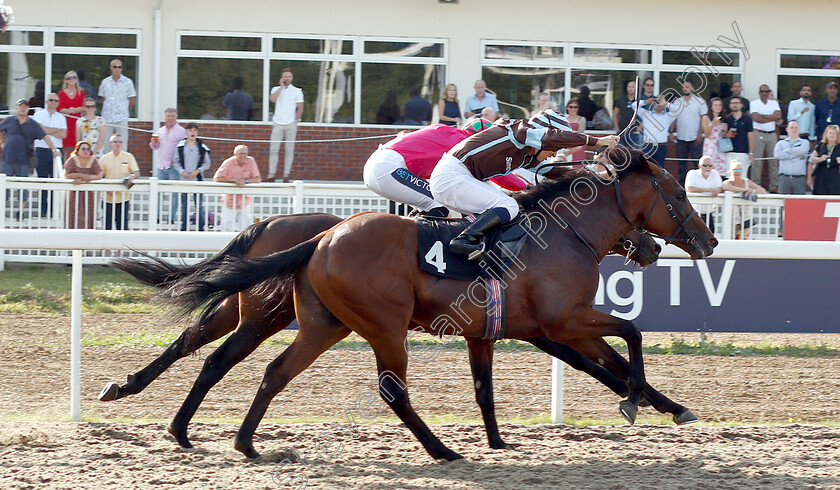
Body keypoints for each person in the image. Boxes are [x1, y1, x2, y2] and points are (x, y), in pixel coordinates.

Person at [430, 109, 618, 256]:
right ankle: (464, 241)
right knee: (509, 205)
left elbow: (557, 172)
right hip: (452, 177)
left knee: (504, 211)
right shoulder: (519, 132)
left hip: (456, 179)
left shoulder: (527, 157)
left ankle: (476, 247)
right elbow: (552, 137)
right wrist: (597, 141)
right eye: (556, 148)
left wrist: (596, 175)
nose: (554, 154)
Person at [364, 118, 524, 217]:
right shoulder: (465, 144)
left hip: (381, 163)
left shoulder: (448, 132)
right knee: (440, 204)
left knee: (430, 205)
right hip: (387, 168)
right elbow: (498, 174)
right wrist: (526, 187)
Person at [0, 99, 55, 219]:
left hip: (23, 161)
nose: (23, 108)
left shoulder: (33, 124)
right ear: (16, 108)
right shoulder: (9, 120)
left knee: (22, 188)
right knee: (3, 187)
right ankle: (1, 212)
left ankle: (20, 212)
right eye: (20, 106)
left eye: (25, 106)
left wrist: (54, 150)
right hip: (7, 159)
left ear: (28, 109)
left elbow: (45, 137)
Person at [32, 93, 67, 216]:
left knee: (54, 181)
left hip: (56, 152)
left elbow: (64, 134)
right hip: (41, 150)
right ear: (46, 101)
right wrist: (55, 130)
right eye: (51, 100)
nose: (53, 102)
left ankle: (53, 210)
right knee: (42, 181)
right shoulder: (38, 114)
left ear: (58, 103)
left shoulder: (61, 117)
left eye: (55, 100)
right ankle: (43, 210)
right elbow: (39, 131)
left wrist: (47, 130)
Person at [173, 123, 211, 231]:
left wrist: (198, 171)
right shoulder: (180, 146)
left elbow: (207, 163)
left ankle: (200, 226)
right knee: (184, 204)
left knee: (198, 204)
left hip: (197, 179)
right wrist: (182, 172)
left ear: (197, 133)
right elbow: (176, 162)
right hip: (184, 179)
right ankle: (184, 226)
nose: (192, 133)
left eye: (194, 130)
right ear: (186, 132)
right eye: (190, 130)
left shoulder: (202, 147)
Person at [149, 108, 186, 222]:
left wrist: (179, 161)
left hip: (174, 166)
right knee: (158, 192)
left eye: (172, 116)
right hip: (161, 166)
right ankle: (157, 217)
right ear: (165, 117)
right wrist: (154, 143)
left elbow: (184, 147)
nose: (170, 118)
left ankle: (171, 217)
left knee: (173, 193)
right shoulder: (160, 131)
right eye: (168, 116)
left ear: (176, 117)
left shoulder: (181, 131)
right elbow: (155, 147)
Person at [213, 144, 261, 231]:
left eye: (244, 153)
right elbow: (217, 178)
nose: (243, 156)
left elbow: (258, 178)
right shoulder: (228, 162)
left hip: (244, 200)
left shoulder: (251, 161)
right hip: (230, 200)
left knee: (246, 230)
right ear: (235, 154)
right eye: (240, 154)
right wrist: (234, 181)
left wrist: (245, 181)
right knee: (227, 228)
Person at [268, 68, 304, 182]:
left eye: (288, 76)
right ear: (282, 78)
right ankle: (271, 174)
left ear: (291, 78)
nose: (286, 78)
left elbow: (300, 107)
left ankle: (286, 175)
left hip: (290, 123)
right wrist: (281, 87)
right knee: (274, 149)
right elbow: (272, 99)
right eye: (285, 76)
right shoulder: (275, 89)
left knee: (289, 150)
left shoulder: (297, 91)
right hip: (278, 123)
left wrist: (295, 121)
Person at [669, 80, 708, 184]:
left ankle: (699, 184)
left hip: (695, 138)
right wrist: (671, 132)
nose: (685, 88)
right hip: (681, 138)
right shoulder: (677, 102)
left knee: (697, 163)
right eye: (684, 87)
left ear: (693, 88)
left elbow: (703, 119)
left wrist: (700, 134)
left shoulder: (700, 102)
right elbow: (674, 118)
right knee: (682, 164)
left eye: (688, 86)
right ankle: (682, 185)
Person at [99, 134, 139, 230]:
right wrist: (106, 187)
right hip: (107, 197)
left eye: (120, 141)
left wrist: (132, 177)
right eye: (115, 141)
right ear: (110, 143)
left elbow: (137, 172)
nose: (118, 144)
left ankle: (122, 244)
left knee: (122, 225)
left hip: (123, 196)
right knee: (106, 225)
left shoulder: (128, 157)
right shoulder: (104, 158)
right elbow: (100, 175)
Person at [749, 84, 782, 192]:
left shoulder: (774, 103)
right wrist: (771, 117)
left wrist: (764, 116)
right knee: (757, 161)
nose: (764, 93)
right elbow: (756, 118)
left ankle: (774, 186)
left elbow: (778, 116)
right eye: (762, 91)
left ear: (769, 92)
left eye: (766, 91)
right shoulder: (754, 103)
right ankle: (756, 186)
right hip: (758, 133)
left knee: (773, 161)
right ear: (759, 92)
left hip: (772, 134)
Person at [722, 160, 766, 239]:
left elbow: (763, 191)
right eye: (735, 170)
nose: (737, 172)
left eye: (739, 170)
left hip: (746, 217)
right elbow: (725, 187)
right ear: (730, 171)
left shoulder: (747, 182)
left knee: (744, 238)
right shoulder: (728, 182)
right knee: (731, 237)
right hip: (732, 217)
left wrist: (752, 190)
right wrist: (744, 190)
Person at [63, 140, 102, 229]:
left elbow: (99, 175)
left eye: (88, 149)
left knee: (88, 214)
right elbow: (67, 174)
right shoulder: (73, 159)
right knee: (74, 214)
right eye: (83, 149)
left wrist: (87, 178)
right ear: (78, 151)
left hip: (88, 194)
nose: (86, 151)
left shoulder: (93, 160)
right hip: (74, 193)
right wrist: (80, 175)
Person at [98, 59, 136, 147]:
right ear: (111, 68)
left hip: (121, 117)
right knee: (106, 144)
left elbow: (132, 100)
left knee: (122, 144)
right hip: (107, 117)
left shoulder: (128, 82)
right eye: (115, 67)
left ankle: (122, 161)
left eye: (119, 67)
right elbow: (103, 98)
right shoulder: (105, 82)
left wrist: (123, 110)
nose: (117, 69)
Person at [684, 155, 722, 232]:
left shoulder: (715, 173)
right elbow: (689, 188)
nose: (707, 167)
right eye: (704, 165)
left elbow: (720, 188)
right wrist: (710, 190)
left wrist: (717, 190)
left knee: (711, 237)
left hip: (709, 213)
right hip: (694, 214)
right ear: (699, 166)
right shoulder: (692, 173)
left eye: (710, 165)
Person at [773, 121, 809, 195]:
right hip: (784, 178)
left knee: (799, 203)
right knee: (783, 203)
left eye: (796, 128)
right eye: (791, 127)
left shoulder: (804, 142)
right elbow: (778, 155)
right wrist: (792, 156)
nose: (794, 130)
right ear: (787, 129)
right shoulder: (780, 143)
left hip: (799, 178)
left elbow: (803, 150)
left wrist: (787, 150)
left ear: (799, 129)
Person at [723, 97, 754, 178]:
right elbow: (722, 135)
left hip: (743, 153)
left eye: (737, 103)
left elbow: (750, 136)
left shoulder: (747, 119)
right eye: (732, 103)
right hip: (729, 153)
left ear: (741, 105)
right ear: (729, 106)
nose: (735, 105)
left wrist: (751, 153)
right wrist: (727, 135)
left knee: (742, 177)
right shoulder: (727, 119)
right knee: (729, 177)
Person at [57, 70, 85, 157]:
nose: (71, 79)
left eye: (74, 77)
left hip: (76, 122)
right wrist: (69, 111)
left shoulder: (81, 92)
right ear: (66, 80)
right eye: (69, 78)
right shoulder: (61, 93)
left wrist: (74, 110)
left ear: (77, 80)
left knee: (76, 147)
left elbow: (83, 106)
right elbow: (59, 108)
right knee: (65, 148)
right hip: (66, 122)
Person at [640, 95, 671, 167]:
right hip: (648, 147)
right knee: (646, 169)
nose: (659, 104)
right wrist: (645, 102)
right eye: (657, 102)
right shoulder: (646, 114)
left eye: (660, 102)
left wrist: (666, 103)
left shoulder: (668, 116)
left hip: (661, 147)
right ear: (653, 104)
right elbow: (634, 106)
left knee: (659, 169)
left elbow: (678, 110)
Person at [700, 97, 729, 176]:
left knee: (721, 171)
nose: (718, 107)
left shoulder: (723, 119)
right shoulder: (706, 118)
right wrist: (713, 123)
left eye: (720, 105)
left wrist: (725, 131)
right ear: (711, 107)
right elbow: (707, 134)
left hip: (720, 147)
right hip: (710, 146)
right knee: (709, 168)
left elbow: (723, 136)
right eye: (715, 105)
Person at [808, 124, 840, 195]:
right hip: (821, 173)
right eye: (830, 133)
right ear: (826, 134)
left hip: (834, 174)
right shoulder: (822, 144)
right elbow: (813, 158)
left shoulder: (839, 146)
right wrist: (820, 159)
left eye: (834, 133)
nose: (832, 135)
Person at [614, 79, 641, 148]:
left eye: (632, 87)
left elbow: (646, 117)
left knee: (634, 154)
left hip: (634, 133)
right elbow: (615, 115)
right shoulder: (620, 100)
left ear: (636, 88)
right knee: (620, 154)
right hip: (622, 132)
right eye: (629, 87)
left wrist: (638, 129)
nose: (630, 89)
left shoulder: (640, 101)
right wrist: (617, 129)